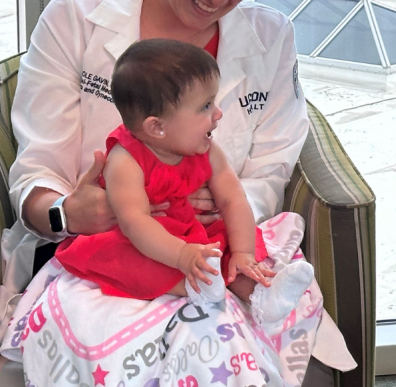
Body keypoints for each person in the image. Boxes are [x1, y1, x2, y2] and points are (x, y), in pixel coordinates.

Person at [0, 0, 355, 384]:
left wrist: (225, 207)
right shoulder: (75, 19)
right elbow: (36, 167)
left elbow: (272, 166)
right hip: (99, 253)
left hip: (212, 250)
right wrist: (68, 212)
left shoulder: (270, 37)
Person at [52, 39, 314, 335]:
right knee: (131, 260)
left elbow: (232, 199)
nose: (218, 113)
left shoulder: (206, 150)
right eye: (205, 106)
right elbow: (135, 223)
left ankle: (261, 294)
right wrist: (182, 256)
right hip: (144, 239)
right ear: (157, 127)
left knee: (226, 242)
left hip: (191, 232)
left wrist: (243, 254)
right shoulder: (125, 161)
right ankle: (194, 286)